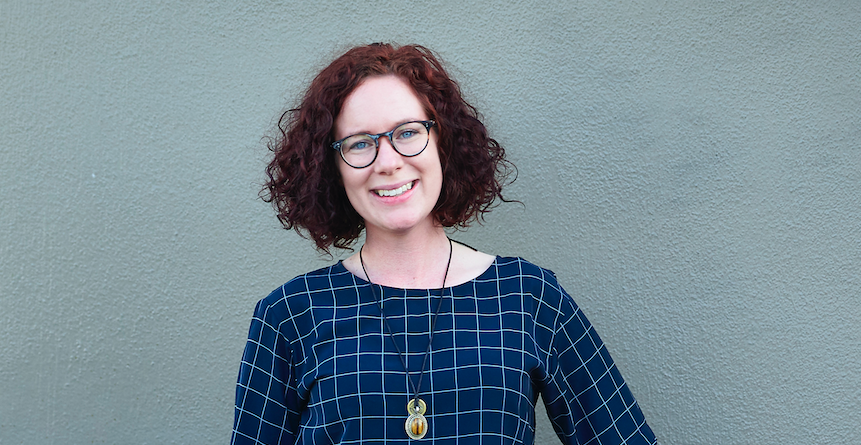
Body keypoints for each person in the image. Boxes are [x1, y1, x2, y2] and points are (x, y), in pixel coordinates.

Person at [231, 43, 656, 445]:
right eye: (360, 143)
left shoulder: (529, 296)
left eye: (407, 132)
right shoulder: (290, 313)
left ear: (443, 142)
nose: (388, 162)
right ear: (332, 168)